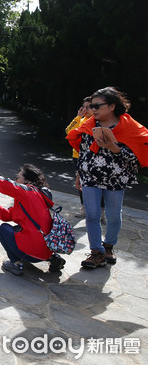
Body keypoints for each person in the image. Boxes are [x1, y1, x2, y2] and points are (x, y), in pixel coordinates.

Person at [67, 87, 148, 268]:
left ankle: (108, 247)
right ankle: (96, 253)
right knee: (92, 215)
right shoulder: (89, 124)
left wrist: (115, 148)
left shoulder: (128, 127)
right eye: (91, 106)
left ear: (112, 106)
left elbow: (138, 154)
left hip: (116, 178)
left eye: (97, 106)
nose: (93, 109)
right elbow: (84, 152)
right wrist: (80, 173)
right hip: (90, 176)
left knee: (113, 216)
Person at [0, 164, 65, 276]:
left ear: (27, 181)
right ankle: (52, 258)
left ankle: (16, 264)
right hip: (48, 249)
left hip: (32, 252)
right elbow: (7, 215)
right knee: (19, 229)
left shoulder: (27, 193)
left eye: (18, 177)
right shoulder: (39, 195)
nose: (15, 180)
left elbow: (6, 185)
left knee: (4, 229)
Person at [65, 97, 92, 218]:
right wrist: (78, 116)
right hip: (77, 155)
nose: (85, 109)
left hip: (91, 156)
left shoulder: (95, 121)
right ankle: (84, 208)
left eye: (88, 107)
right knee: (81, 183)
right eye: (83, 107)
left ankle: (100, 211)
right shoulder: (81, 120)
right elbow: (68, 131)